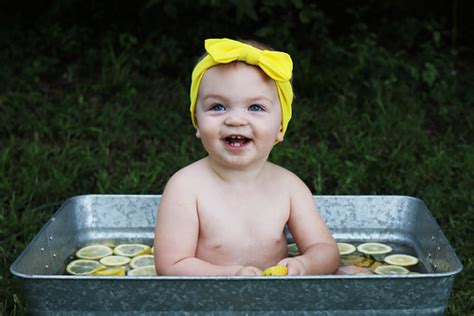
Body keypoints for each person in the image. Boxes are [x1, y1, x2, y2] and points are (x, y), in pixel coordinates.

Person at [154, 38, 339, 276]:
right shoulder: (186, 187)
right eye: (218, 107)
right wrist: (230, 276)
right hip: (208, 300)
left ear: (281, 127)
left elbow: (325, 250)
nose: (236, 120)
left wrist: (305, 264)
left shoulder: (289, 187)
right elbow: (171, 265)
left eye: (255, 108)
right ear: (196, 121)